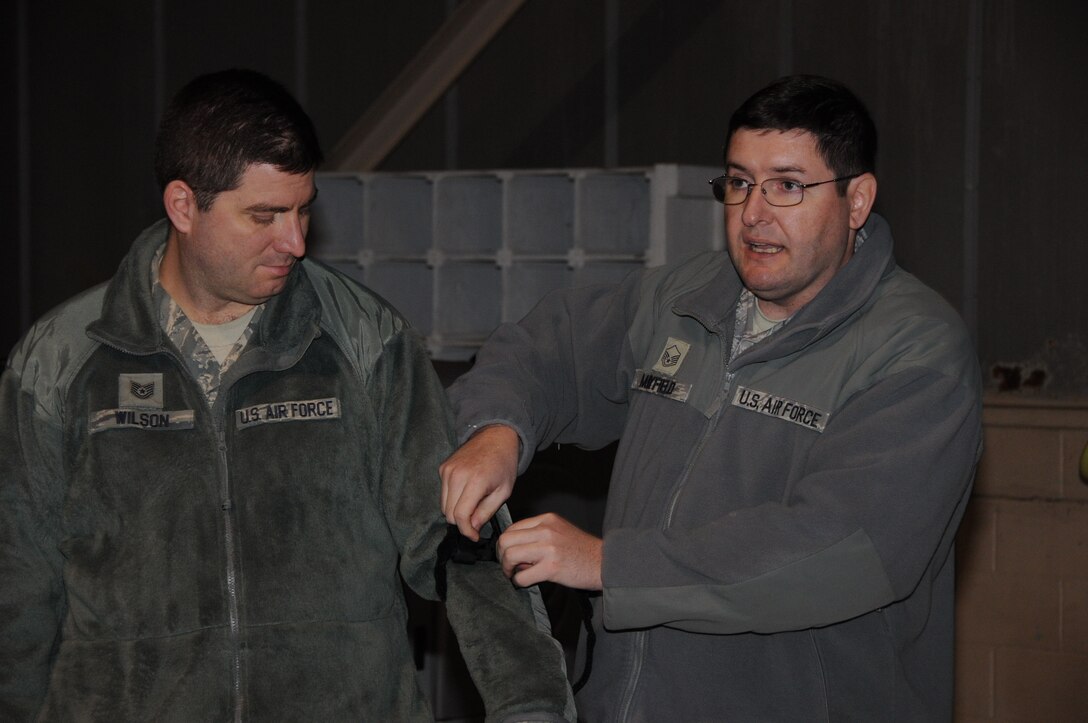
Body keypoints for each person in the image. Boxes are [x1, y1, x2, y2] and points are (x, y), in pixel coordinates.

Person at [0, 68, 574, 722]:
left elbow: (462, 548)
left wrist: (532, 707)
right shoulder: (62, 360)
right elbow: (17, 588)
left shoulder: (366, 340)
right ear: (183, 206)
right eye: (264, 216)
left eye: (303, 209)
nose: (295, 242)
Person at [440, 74, 983, 721]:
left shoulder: (916, 353)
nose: (753, 213)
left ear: (857, 200)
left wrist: (612, 565)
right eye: (740, 182)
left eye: (787, 185)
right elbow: (548, 349)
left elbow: (837, 546)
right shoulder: (683, 300)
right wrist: (496, 430)